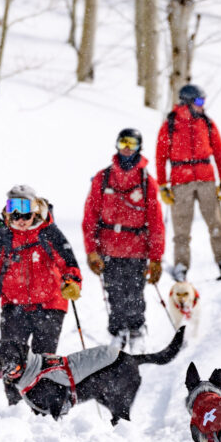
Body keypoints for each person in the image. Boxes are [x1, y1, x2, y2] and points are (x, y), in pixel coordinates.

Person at [0, 184, 82, 405]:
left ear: (36, 209)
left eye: (25, 210)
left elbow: (69, 263)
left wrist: (72, 282)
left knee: (43, 359)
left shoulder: (49, 232)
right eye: (14, 211)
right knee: (9, 357)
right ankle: (15, 405)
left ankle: (41, 405)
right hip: (14, 306)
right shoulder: (4, 238)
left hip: (49, 305)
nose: (20, 217)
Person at [82, 128, 165, 352]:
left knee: (135, 292)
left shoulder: (147, 181)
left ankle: (137, 330)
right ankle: (118, 332)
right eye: (123, 142)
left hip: (137, 249)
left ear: (139, 147)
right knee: (114, 292)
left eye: (132, 143)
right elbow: (90, 217)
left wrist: (156, 257)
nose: (127, 148)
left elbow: (156, 222)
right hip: (109, 248)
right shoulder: (103, 177)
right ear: (117, 145)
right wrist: (91, 250)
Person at [155, 84, 221, 281]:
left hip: (206, 179)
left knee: (216, 224)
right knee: (181, 229)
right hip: (181, 182)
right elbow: (160, 156)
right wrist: (163, 185)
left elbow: (220, 152)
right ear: (187, 102)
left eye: (203, 101)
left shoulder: (206, 122)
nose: (202, 105)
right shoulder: (170, 124)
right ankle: (181, 266)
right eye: (199, 101)